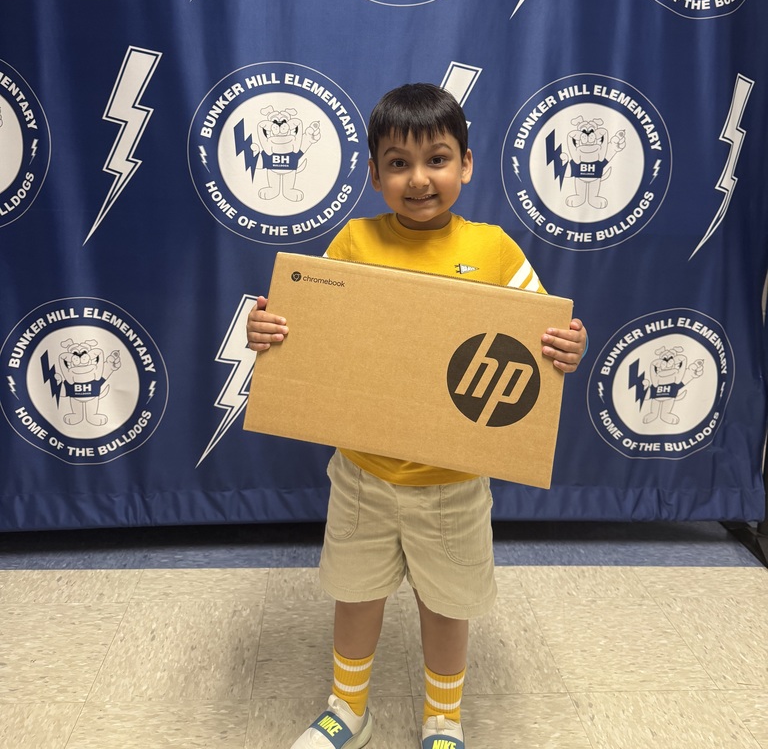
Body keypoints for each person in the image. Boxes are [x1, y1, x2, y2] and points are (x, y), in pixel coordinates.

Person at [246, 83, 587, 749]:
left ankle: (443, 718)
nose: (419, 177)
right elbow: (310, 331)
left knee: (449, 602)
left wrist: (567, 347)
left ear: (466, 164)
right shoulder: (353, 240)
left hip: (452, 483)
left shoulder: (494, 251)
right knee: (356, 591)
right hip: (363, 473)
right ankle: (348, 709)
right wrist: (272, 332)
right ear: (373, 175)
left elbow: (543, 334)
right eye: (398, 163)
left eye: (437, 158)